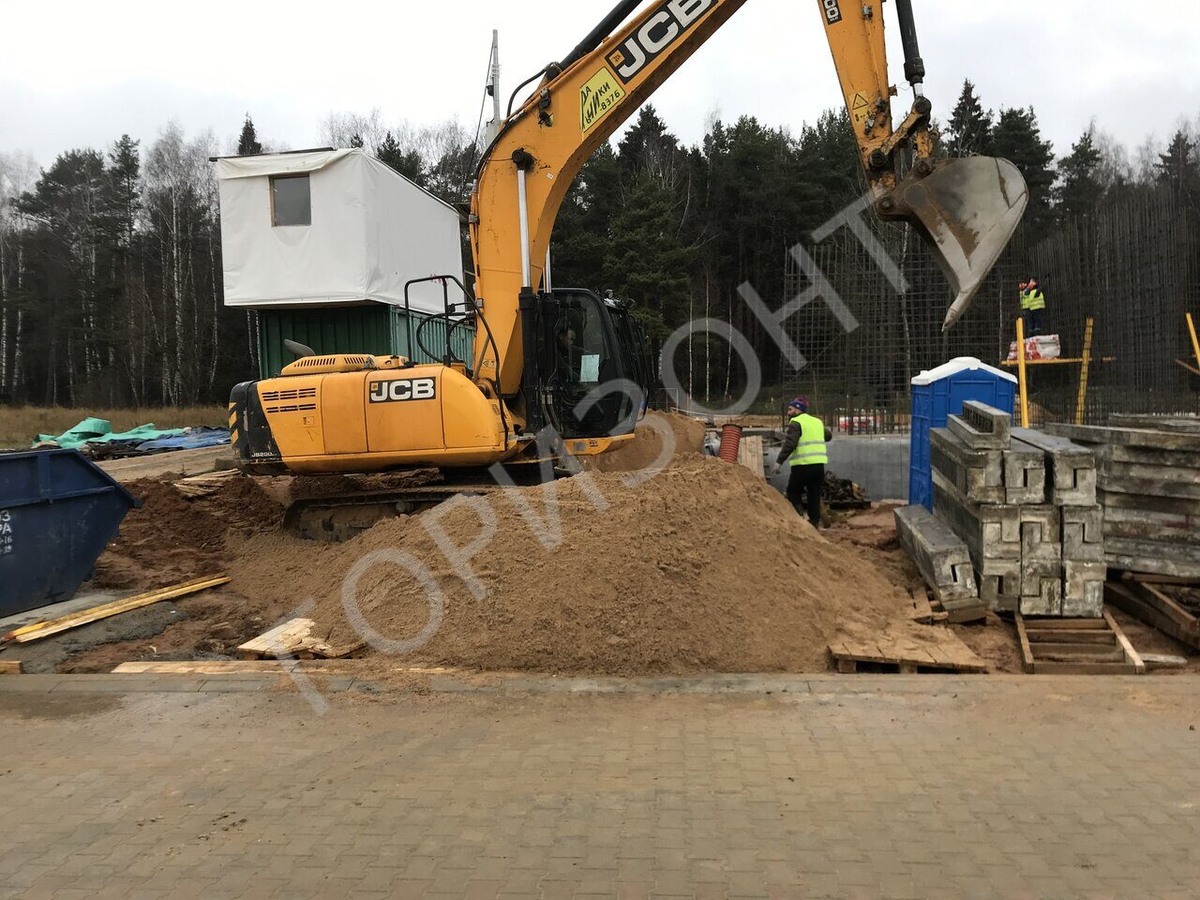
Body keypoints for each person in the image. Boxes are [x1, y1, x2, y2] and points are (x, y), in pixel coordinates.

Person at [773, 397, 832, 528]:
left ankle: (800, 517)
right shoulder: (816, 422)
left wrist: (779, 462)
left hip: (802, 465)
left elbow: (790, 444)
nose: (788, 412)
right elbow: (828, 436)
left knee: (792, 491)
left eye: (790, 409)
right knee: (814, 495)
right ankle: (814, 523)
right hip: (818, 466)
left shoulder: (796, 422)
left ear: (798, 409)